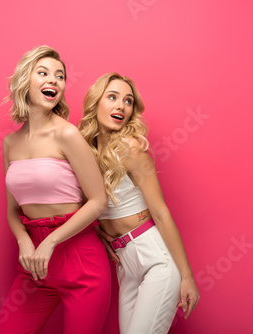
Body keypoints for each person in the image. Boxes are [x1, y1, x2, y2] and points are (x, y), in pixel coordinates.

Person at [0, 46, 110, 334]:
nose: (54, 81)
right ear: (25, 80)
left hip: (80, 260)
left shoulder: (66, 134)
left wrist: (51, 242)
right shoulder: (10, 143)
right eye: (43, 73)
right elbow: (12, 209)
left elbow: (98, 201)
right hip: (35, 265)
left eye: (60, 76)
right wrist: (24, 241)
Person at [78, 72, 200, 334]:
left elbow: (161, 212)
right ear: (95, 101)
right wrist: (99, 233)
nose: (121, 106)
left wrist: (187, 276)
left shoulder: (131, 149)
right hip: (124, 264)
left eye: (128, 101)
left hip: (155, 259)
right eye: (112, 97)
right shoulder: (83, 151)